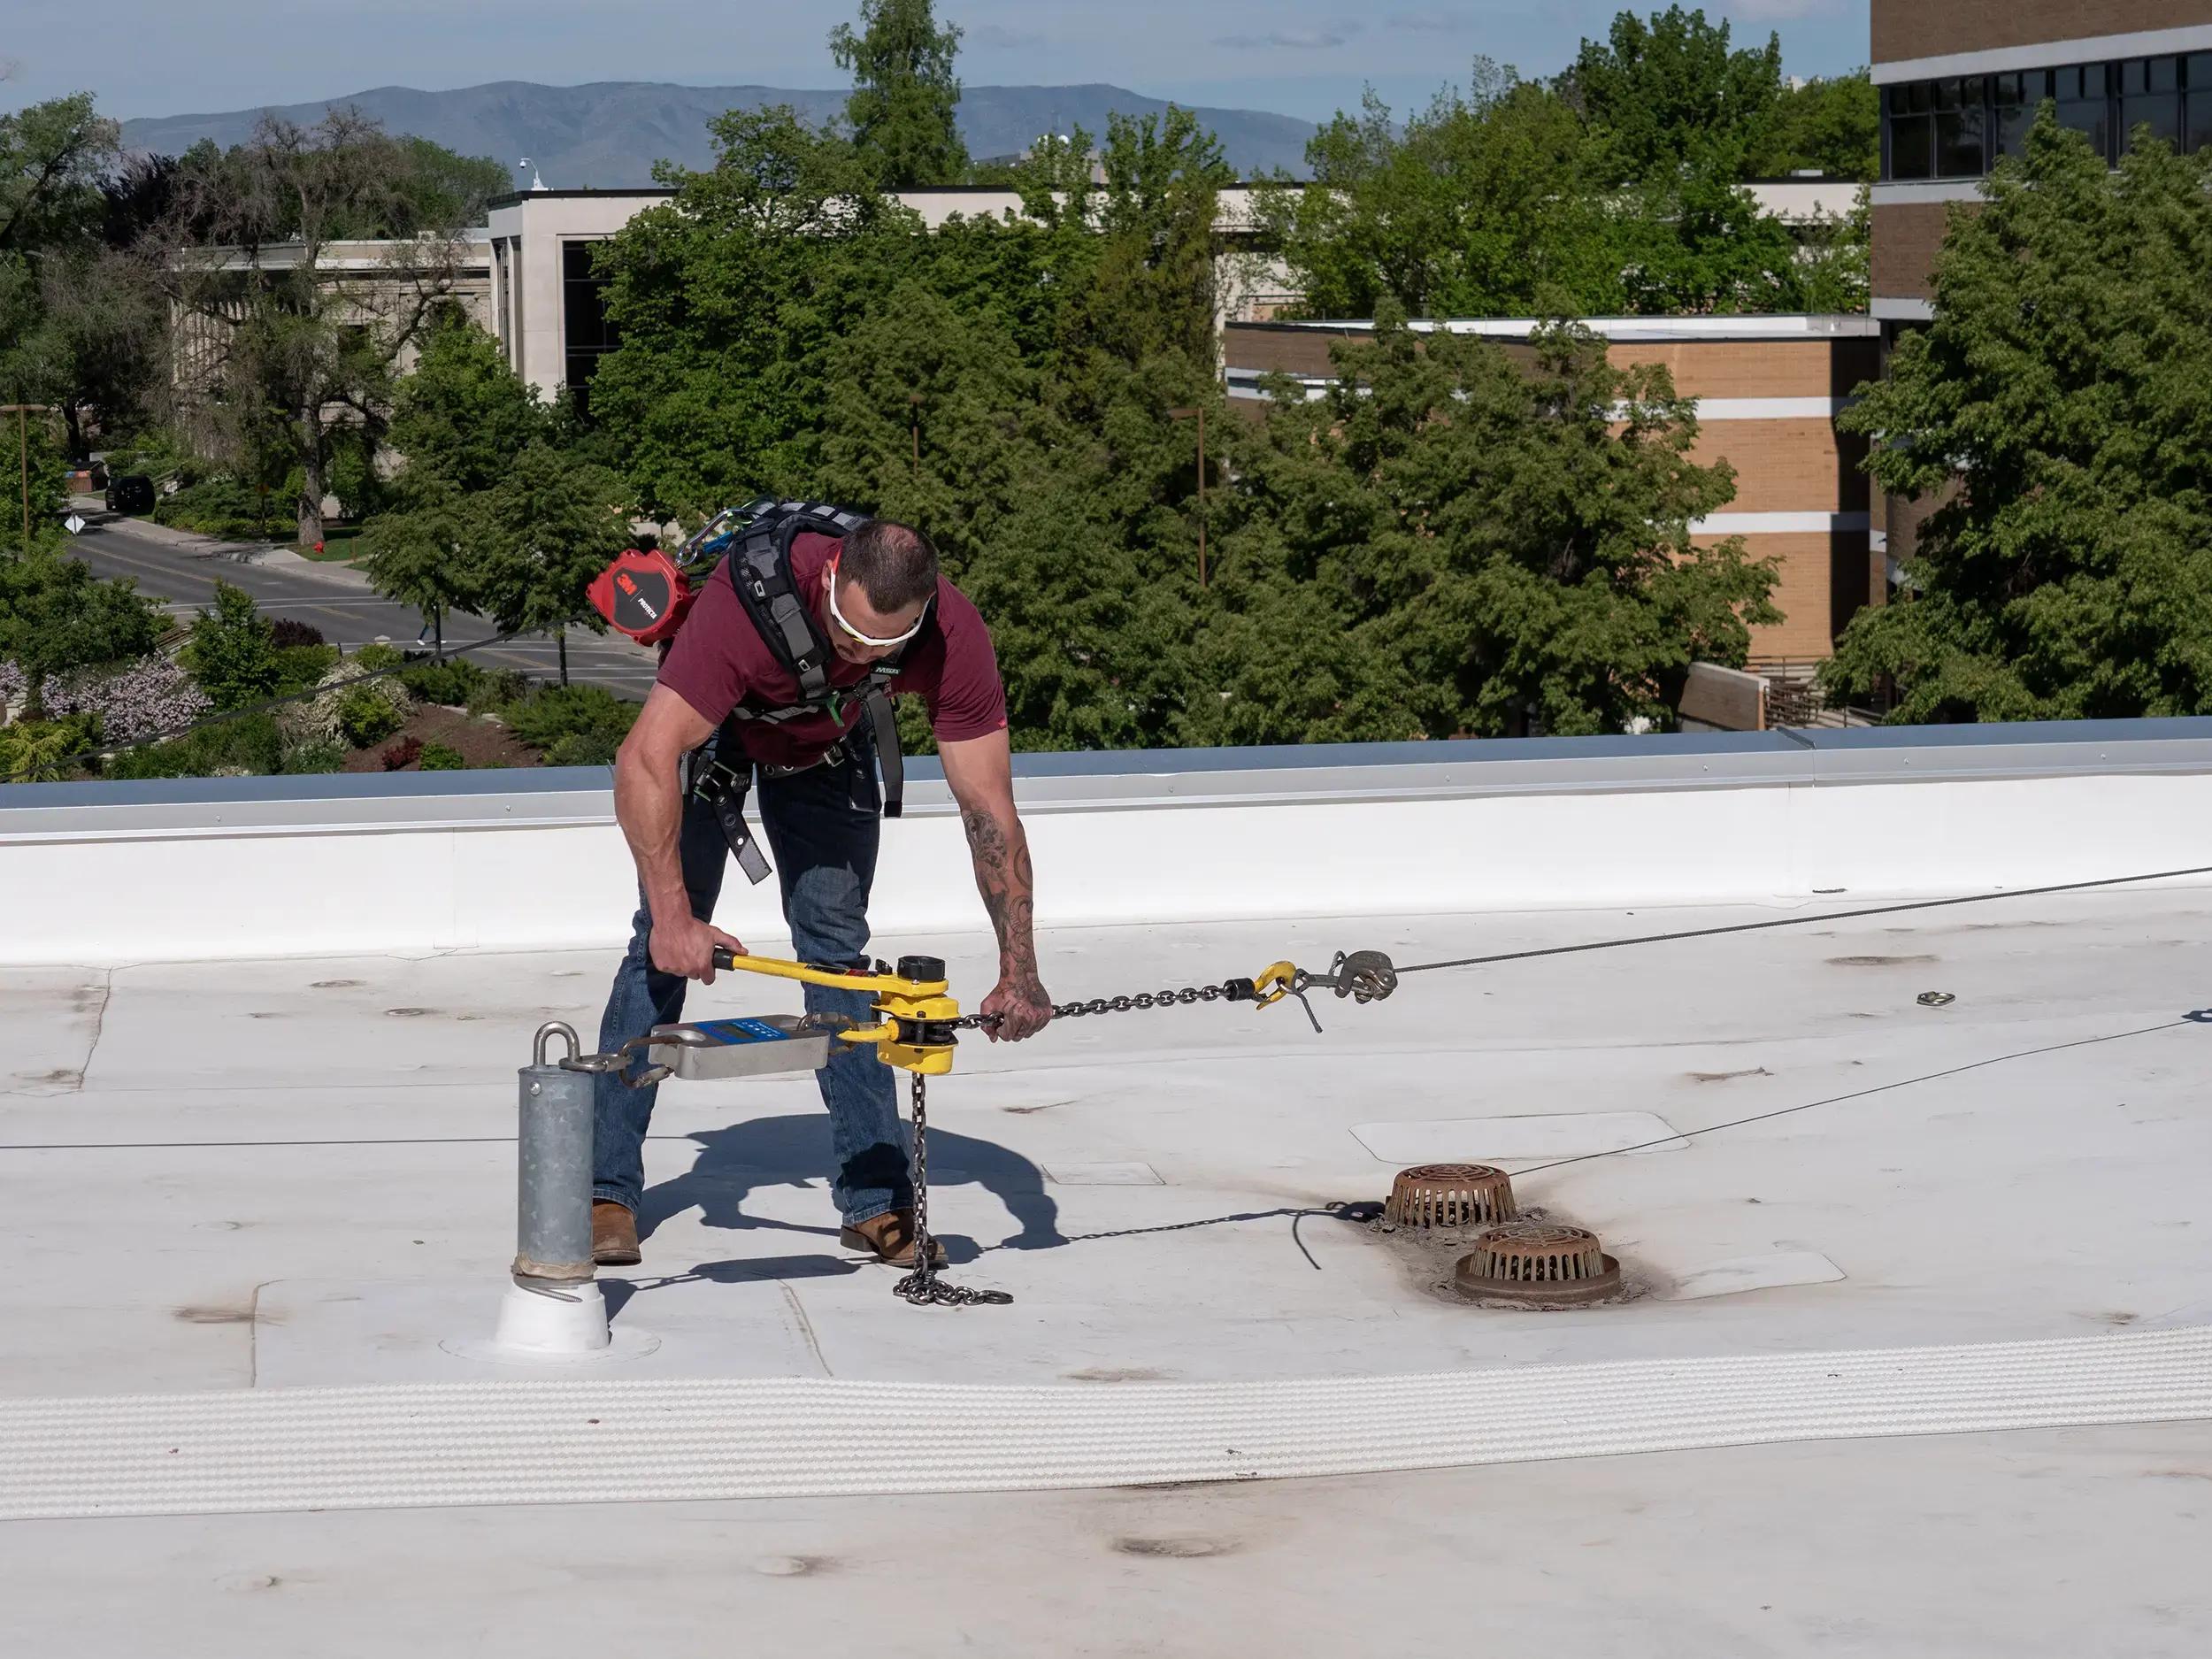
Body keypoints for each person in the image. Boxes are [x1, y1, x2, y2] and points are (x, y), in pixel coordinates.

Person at [589, 513, 1053, 1269]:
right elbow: (644, 755)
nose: (867, 654)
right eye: (851, 636)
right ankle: (603, 1190)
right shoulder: (748, 601)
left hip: (827, 744)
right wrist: (677, 918)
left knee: (839, 959)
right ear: (832, 577)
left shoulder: (951, 631)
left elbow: (989, 809)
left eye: (886, 646)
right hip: (714, 738)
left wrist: (1020, 967)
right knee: (661, 951)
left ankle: (876, 1202)